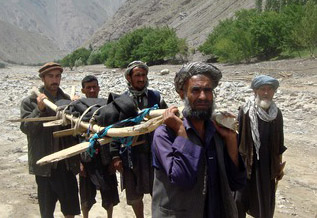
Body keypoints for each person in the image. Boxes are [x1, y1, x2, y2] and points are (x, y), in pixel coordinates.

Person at [151, 62, 246, 218]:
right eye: (195, 90)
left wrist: (231, 141)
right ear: (182, 94)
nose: (203, 96)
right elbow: (183, 179)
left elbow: (237, 182)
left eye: (207, 90)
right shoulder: (165, 134)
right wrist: (182, 132)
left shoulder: (217, 132)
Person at [20, 62, 80, 218]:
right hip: (46, 167)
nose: (55, 80)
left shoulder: (67, 100)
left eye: (57, 76)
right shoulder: (30, 102)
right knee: (47, 212)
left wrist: (77, 108)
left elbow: (78, 133)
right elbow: (27, 128)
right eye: (50, 76)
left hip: (66, 165)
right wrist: (39, 110)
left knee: (70, 210)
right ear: (43, 79)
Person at [111, 61, 167, 218]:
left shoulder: (156, 97)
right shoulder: (121, 101)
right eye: (137, 75)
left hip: (154, 152)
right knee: (134, 193)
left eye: (144, 75)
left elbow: (166, 121)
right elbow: (114, 128)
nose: (141, 79)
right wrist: (115, 155)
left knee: (158, 189)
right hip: (130, 154)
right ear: (129, 78)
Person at [234, 75, 287, 218]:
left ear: (274, 92)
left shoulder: (277, 114)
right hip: (247, 164)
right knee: (239, 201)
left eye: (270, 89)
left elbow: (279, 144)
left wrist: (278, 166)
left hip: (267, 166)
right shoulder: (245, 111)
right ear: (255, 91)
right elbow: (237, 139)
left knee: (264, 205)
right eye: (262, 89)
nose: (266, 93)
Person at [79, 75, 119, 218]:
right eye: (88, 87)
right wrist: (79, 162)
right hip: (86, 158)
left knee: (109, 194)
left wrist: (115, 157)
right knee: (85, 197)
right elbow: (75, 137)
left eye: (94, 87)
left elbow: (115, 133)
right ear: (83, 90)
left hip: (105, 157)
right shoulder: (78, 106)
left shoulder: (107, 105)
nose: (92, 90)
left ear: (99, 88)